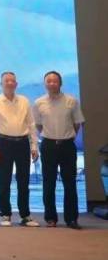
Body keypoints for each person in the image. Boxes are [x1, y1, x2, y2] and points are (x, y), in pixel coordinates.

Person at [32, 70, 85, 229]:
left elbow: (77, 123)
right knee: (48, 183)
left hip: (67, 145)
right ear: (45, 84)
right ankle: (50, 218)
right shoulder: (39, 103)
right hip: (48, 145)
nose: (52, 84)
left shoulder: (71, 101)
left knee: (70, 183)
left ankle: (71, 219)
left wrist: (67, 136)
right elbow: (38, 126)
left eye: (55, 81)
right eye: (49, 81)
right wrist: (51, 136)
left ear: (60, 83)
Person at [0, 71, 39, 227]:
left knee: (24, 181)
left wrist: (34, 146)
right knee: (4, 181)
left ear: (16, 84)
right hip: (4, 143)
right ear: (1, 84)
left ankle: (25, 215)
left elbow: (31, 124)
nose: (9, 83)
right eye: (6, 81)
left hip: (22, 143)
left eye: (12, 81)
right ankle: (5, 214)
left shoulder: (24, 101)